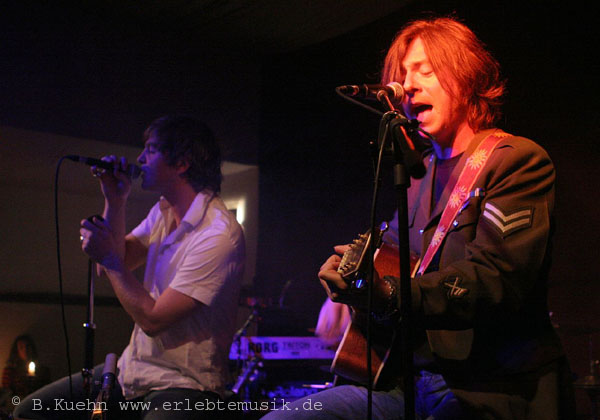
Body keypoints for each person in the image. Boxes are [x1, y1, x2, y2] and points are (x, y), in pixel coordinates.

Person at [262, 16, 574, 420]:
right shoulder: (417, 176)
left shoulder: (514, 161)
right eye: (403, 75)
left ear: (465, 76)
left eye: (424, 71)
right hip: (402, 382)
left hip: (484, 387)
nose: (407, 85)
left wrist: (389, 294)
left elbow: (496, 279)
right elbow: (393, 261)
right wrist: (352, 284)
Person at [14, 115, 245, 419]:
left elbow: (152, 319)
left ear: (182, 163)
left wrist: (109, 258)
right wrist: (115, 201)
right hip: (133, 372)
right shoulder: (162, 212)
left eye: (151, 149)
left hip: (185, 385)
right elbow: (113, 263)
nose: (140, 158)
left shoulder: (218, 234)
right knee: (28, 413)